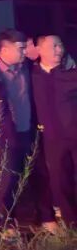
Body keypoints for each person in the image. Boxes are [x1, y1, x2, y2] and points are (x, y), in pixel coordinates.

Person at [0, 29, 56, 232]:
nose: (24, 52)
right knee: (8, 180)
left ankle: (46, 218)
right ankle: (8, 223)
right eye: (20, 48)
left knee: (40, 174)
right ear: (5, 50)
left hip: (30, 131)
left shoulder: (27, 67)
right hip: (5, 134)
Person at [31, 35, 77, 227]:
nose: (59, 50)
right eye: (54, 46)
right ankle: (71, 223)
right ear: (40, 49)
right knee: (59, 181)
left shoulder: (71, 74)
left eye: (61, 45)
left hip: (74, 134)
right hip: (51, 139)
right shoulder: (31, 76)